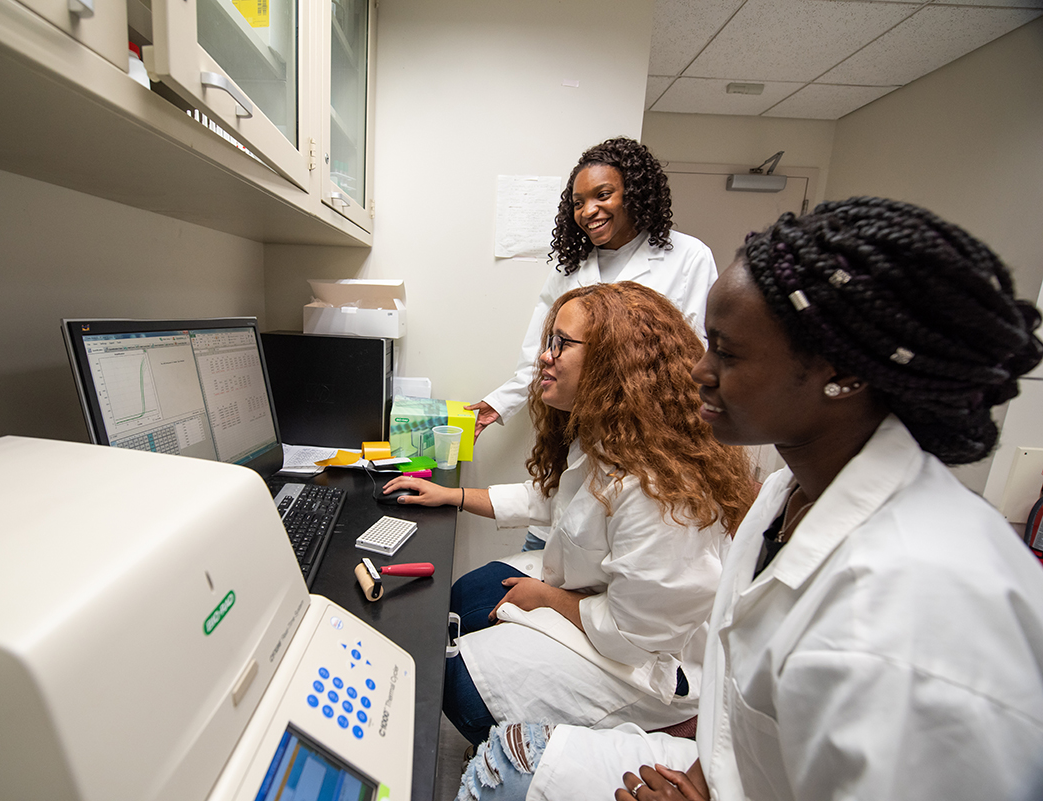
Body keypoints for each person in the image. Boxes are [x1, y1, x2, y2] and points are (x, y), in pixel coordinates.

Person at [451, 197, 1043, 801]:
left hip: (703, 734)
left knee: (502, 773)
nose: (696, 371)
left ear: (843, 374)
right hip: (725, 765)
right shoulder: (790, 492)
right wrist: (703, 780)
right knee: (503, 751)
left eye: (727, 354)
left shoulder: (921, 601)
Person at [383, 282, 755, 746]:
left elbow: (633, 634)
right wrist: (453, 496)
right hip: (599, 594)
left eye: (562, 343)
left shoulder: (660, 488)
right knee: (465, 597)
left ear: (613, 360)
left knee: (456, 684)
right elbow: (555, 497)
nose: (544, 356)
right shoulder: (610, 434)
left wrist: (546, 599)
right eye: (549, 341)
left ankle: (521, 754)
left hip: (643, 661)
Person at [467, 137, 717, 442]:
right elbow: (542, 350)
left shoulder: (688, 256)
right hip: (582, 424)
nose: (588, 211)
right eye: (578, 202)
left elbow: (695, 354)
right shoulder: (571, 267)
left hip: (654, 427)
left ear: (634, 193)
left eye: (603, 195)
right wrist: (500, 402)